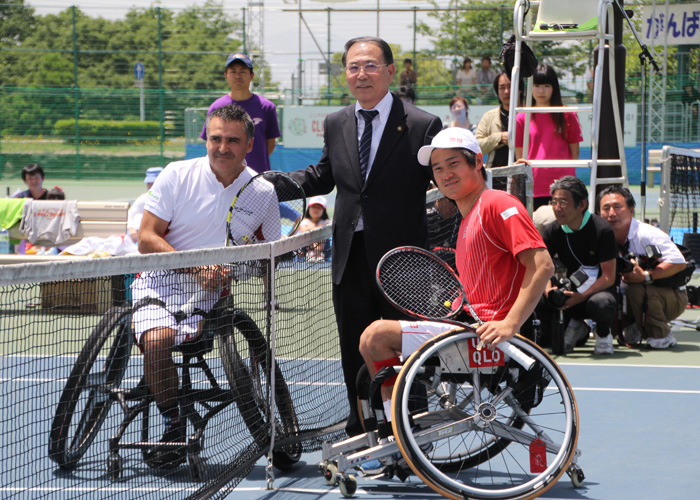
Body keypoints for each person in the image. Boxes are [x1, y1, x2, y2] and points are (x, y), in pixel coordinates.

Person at [287, 36, 442, 437]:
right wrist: (266, 185)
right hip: (350, 257)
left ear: (390, 71)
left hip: (403, 262)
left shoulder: (423, 124)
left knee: (406, 349)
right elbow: (322, 176)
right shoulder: (337, 123)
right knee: (354, 347)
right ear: (346, 74)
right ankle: (362, 430)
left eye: (371, 65)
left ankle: (411, 434)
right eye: (354, 67)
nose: (362, 74)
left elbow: (445, 179)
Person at [358, 127, 553, 436]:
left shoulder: (498, 203)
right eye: (437, 168)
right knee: (372, 345)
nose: (445, 174)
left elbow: (542, 266)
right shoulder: (468, 220)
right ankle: (394, 429)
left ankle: (397, 432)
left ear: (477, 161)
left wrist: (510, 324)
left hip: (492, 343)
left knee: (376, 336)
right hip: (472, 334)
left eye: (453, 164)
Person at [133, 104, 281, 469]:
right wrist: (196, 267)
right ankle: (173, 420)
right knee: (157, 341)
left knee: (174, 339)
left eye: (232, 140)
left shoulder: (262, 192)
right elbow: (147, 237)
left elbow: (269, 257)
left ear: (249, 144)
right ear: (206, 139)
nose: (222, 147)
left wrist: (240, 271)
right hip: (158, 280)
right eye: (215, 138)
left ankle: (162, 385)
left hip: (212, 296)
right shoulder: (176, 174)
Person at [598, 185, 688, 349]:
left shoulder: (646, 234)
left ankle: (662, 335)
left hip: (670, 296)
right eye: (606, 208)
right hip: (625, 296)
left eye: (617, 207)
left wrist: (646, 275)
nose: (611, 213)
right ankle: (634, 326)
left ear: (631, 210)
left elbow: (679, 261)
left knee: (636, 288)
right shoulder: (600, 237)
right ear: (599, 213)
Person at [538, 176, 618, 354]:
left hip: (597, 291)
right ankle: (576, 326)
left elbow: (608, 277)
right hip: (569, 291)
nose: (557, 208)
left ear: (581, 205)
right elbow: (541, 268)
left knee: (602, 303)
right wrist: (549, 291)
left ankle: (603, 333)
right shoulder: (552, 230)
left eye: (563, 202)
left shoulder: (602, 229)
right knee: (536, 298)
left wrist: (580, 296)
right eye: (554, 202)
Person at [515, 64, 583, 209]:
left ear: (554, 88)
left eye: (546, 85)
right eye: (537, 85)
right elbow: (520, 156)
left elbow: (575, 153)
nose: (541, 91)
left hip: (564, 185)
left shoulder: (567, 114)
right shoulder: (522, 117)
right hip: (533, 186)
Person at [200, 53, 280, 173]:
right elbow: (211, 142)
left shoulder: (266, 107)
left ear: (252, 75)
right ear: (226, 75)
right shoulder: (216, 107)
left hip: (257, 176)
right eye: (233, 71)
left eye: (243, 71)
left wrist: (251, 162)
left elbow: (270, 144)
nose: (238, 75)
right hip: (224, 177)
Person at [127, 167, 163, 242]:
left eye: (154, 184)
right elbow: (130, 215)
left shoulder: (171, 199)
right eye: (149, 184)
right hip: (146, 237)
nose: (150, 187)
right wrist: (131, 228)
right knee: (138, 217)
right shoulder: (143, 199)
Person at [298, 195, 332, 261]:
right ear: (309, 209)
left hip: (324, 250)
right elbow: (303, 230)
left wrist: (311, 228)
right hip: (306, 248)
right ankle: (311, 254)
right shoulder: (305, 221)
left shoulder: (327, 221)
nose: (316, 210)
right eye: (313, 207)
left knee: (319, 234)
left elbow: (329, 227)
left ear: (323, 210)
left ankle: (319, 255)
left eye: (319, 208)